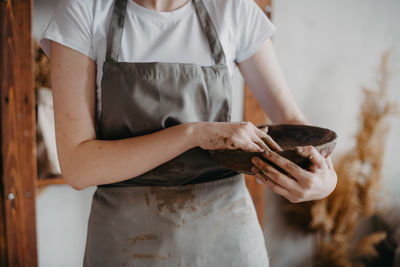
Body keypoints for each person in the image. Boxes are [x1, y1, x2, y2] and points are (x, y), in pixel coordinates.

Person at [40, 0, 337, 266]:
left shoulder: (232, 9)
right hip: (127, 242)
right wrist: (193, 134)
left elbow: (296, 127)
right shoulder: (84, 11)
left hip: (228, 238)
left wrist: (326, 180)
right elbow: (78, 168)